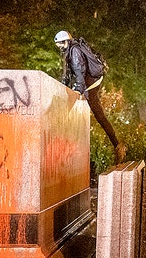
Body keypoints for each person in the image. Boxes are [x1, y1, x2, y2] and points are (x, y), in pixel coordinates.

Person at [54, 30, 127, 164]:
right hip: (90, 83)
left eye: (61, 44)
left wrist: (79, 90)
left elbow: (80, 71)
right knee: (99, 115)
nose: (60, 47)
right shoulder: (70, 50)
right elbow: (68, 75)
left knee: (99, 115)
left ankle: (118, 145)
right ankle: (117, 145)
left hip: (91, 83)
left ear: (66, 42)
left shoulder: (74, 51)